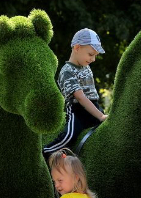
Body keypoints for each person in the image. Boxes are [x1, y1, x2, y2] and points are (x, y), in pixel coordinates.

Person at [43, 28, 107, 158]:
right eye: (90, 54)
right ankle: (47, 151)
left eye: (95, 55)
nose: (93, 59)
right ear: (77, 47)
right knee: (69, 136)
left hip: (94, 107)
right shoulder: (67, 71)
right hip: (78, 111)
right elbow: (81, 98)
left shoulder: (86, 67)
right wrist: (100, 116)